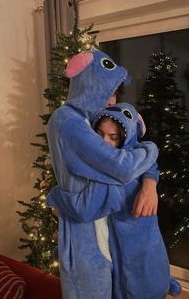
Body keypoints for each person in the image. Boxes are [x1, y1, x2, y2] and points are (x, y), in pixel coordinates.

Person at [46, 49, 159, 299]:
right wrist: (152, 148)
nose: (111, 101)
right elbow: (123, 167)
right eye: (107, 91)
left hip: (105, 231)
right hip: (85, 232)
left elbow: (130, 151)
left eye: (115, 93)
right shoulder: (70, 122)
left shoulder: (91, 119)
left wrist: (150, 183)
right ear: (90, 84)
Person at [49, 102, 182, 298]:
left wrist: (55, 196)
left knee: (139, 278)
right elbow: (148, 157)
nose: (104, 142)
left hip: (137, 246)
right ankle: (163, 283)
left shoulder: (116, 172)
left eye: (113, 137)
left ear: (125, 138)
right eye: (99, 134)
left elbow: (84, 209)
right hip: (136, 242)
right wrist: (150, 181)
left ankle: (161, 284)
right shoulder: (130, 158)